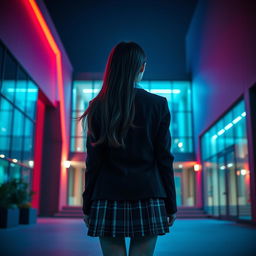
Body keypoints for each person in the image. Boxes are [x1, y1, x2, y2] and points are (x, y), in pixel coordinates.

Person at [77, 41, 177, 256]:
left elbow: (93, 163)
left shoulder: (98, 106)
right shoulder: (158, 104)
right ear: (142, 67)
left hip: (107, 196)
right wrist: (171, 203)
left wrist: (87, 204)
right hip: (149, 194)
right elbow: (164, 159)